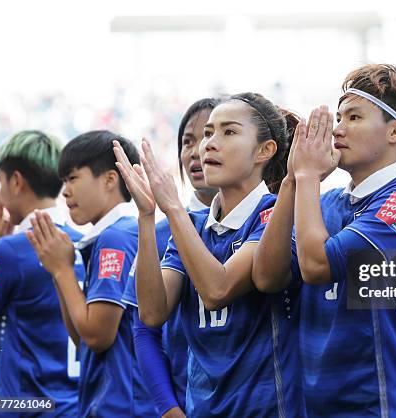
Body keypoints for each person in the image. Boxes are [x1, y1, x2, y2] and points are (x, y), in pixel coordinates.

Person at [253, 64, 396, 417]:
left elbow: (317, 266)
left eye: (354, 117)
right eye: (338, 117)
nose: (338, 129)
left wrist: (308, 175)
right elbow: (267, 276)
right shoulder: (325, 202)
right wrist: (293, 179)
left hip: (384, 406)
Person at [114, 93, 305, 416]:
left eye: (228, 132)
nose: (208, 145)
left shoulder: (275, 214)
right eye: (207, 134)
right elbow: (152, 313)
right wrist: (147, 217)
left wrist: (172, 207)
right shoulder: (193, 224)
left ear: (265, 150)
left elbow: (218, 290)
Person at [27, 131, 157, 417]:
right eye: (63, 181)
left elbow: (98, 336)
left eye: (73, 178)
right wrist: (56, 269)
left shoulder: (117, 237)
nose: (65, 191)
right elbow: (81, 336)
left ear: (110, 179)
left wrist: (62, 270)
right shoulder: (109, 235)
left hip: (123, 405)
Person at [121, 97, 220, 417]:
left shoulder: (263, 222)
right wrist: (168, 408)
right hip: (186, 401)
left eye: (207, 137)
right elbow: (144, 329)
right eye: (186, 141)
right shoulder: (158, 232)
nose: (195, 151)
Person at [0, 130, 83, 416]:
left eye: (0, 180)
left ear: (16, 181)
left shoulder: (10, 251)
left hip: (24, 407)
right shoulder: (84, 241)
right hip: (76, 404)